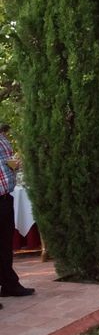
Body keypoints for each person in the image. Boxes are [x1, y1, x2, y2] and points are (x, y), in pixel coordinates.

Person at [0, 123, 35, 303]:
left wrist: (15, 166)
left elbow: (7, 163)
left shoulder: (2, 137)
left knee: (5, 245)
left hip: (5, 196)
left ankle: (9, 284)